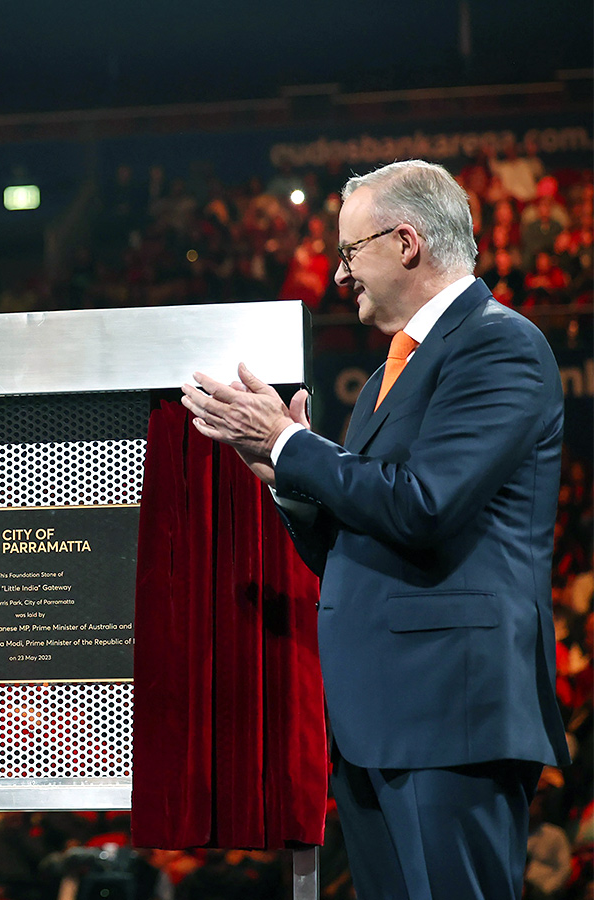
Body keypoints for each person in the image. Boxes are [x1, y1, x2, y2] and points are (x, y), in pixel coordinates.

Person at [181, 159, 570, 899]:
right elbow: (361, 543)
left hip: (449, 717)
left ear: (406, 241)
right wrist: (288, 481)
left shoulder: (500, 346)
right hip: (379, 723)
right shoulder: (392, 374)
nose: (337, 277)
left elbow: (423, 505)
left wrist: (295, 445)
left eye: (349, 253)